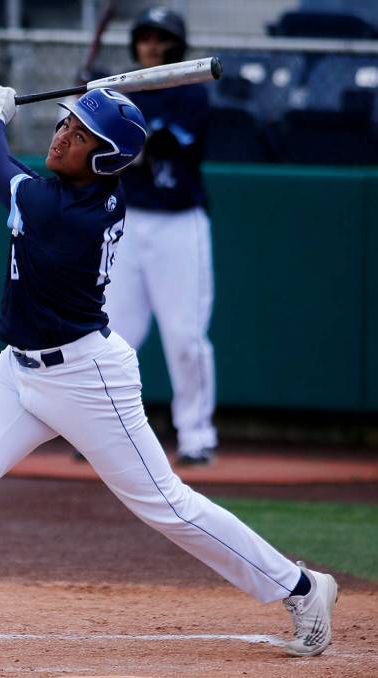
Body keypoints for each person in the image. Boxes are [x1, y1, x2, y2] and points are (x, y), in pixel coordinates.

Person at [0, 86, 337, 661]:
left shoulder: (69, 213)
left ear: (106, 159)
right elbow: (5, 172)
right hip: (17, 371)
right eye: (66, 124)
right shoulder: (65, 195)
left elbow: (0, 173)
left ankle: (303, 588)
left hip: (88, 379)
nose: (62, 136)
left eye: (81, 135)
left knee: (167, 505)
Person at [102, 6, 218, 466]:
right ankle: (105, 435)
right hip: (129, 223)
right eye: (145, 37)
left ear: (178, 45)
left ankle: (196, 434)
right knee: (114, 335)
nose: (151, 46)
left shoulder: (192, 91)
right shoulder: (118, 89)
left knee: (185, 336)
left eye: (161, 38)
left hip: (179, 222)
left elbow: (162, 144)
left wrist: (116, 129)